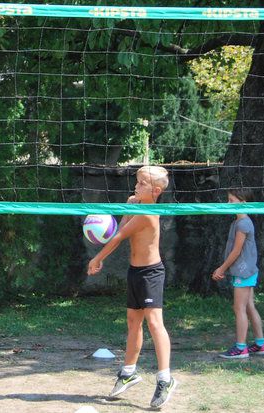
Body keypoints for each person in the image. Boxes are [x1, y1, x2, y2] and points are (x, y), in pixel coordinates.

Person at [88, 165, 176, 409]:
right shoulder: (137, 208)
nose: (136, 186)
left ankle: (165, 379)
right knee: (133, 322)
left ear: (156, 191)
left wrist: (98, 258)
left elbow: (118, 237)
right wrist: (128, 209)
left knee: (155, 323)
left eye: (142, 184)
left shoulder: (147, 213)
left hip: (151, 274)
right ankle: (128, 373)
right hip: (135, 272)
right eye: (136, 182)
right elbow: (120, 227)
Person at [212, 188, 264, 358]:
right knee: (249, 306)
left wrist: (222, 268)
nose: (228, 203)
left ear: (243, 202)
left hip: (243, 272)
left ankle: (241, 348)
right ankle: (261, 345)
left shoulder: (243, 223)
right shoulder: (239, 222)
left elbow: (236, 251)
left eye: (231, 200)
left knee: (239, 308)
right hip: (247, 270)